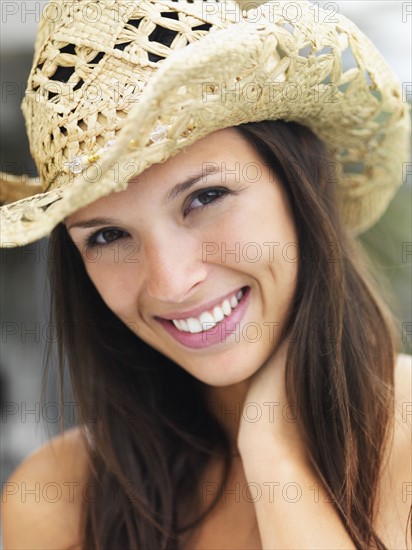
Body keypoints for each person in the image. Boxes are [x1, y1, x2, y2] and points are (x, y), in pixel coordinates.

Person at [1, 1, 410, 548]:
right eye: (107, 236)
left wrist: (274, 457)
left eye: (206, 197)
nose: (170, 281)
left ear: (301, 182)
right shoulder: (60, 497)